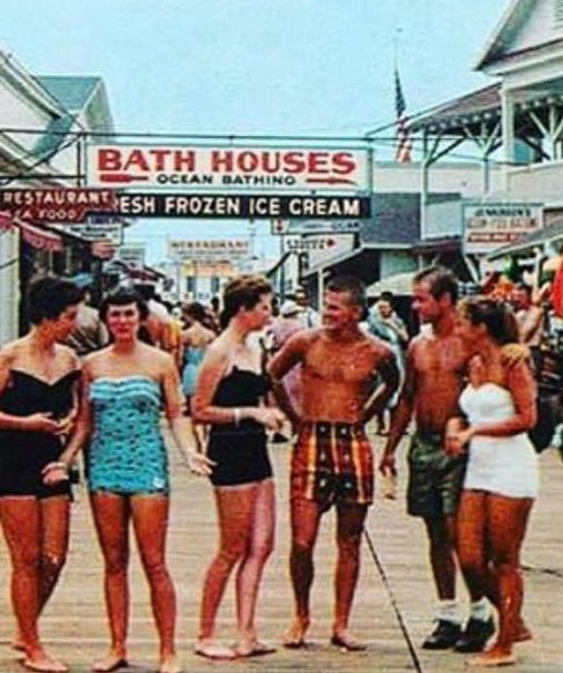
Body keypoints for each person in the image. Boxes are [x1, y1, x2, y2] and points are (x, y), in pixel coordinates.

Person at [59, 286, 212, 673]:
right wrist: (65, 459)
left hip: (146, 462)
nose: (122, 321)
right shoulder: (91, 364)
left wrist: (189, 451)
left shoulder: (160, 362)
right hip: (104, 465)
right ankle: (117, 646)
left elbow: (177, 414)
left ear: (141, 318)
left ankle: (167, 650)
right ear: (105, 320)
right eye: (115, 315)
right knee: (114, 561)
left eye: (129, 314)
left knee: (154, 561)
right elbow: (83, 421)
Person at [268, 275, 400, 651]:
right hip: (312, 438)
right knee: (302, 539)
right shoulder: (305, 342)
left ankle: (341, 622)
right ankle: (301, 615)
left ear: (356, 312)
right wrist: (294, 419)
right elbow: (273, 374)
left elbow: (392, 384)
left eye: (335, 308)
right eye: (325, 306)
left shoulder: (377, 350)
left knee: (350, 538)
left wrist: (367, 412)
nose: (327, 314)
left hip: (352, 440)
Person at [381, 267, 494, 653]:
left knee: (460, 531)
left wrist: (462, 426)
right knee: (434, 531)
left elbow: (484, 397)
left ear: (445, 301)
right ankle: (447, 612)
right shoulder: (417, 344)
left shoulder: (468, 344)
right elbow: (408, 397)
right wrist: (390, 448)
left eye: (422, 299)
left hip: (458, 448)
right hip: (424, 444)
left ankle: (480, 611)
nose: (415, 306)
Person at [0, 276, 83, 673]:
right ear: (48, 317)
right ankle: (32, 644)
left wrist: (67, 440)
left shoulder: (71, 360)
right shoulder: (10, 356)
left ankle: (27, 624)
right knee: (27, 557)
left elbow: (79, 412)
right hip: (13, 456)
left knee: (56, 556)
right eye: (70, 316)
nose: (75, 322)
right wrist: (27, 423)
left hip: (52, 459)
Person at [190, 276, 285, 660]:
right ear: (243, 309)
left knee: (262, 545)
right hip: (229, 451)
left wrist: (270, 414)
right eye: (264, 306)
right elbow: (199, 410)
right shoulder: (220, 352)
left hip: (255, 449)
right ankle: (205, 631)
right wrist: (250, 413)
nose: (269, 313)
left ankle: (247, 631)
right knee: (231, 547)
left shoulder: (253, 347)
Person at [446, 296, 538, 668]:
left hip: (512, 466)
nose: (457, 329)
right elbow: (460, 409)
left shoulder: (512, 362)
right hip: (479, 467)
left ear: (481, 328)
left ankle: (505, 643)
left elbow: (527, 418)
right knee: (468, 556)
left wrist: (476, 431)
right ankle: (513, 621)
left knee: (505, 558)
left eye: (462, 323)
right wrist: (456, 429)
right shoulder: (474, 363)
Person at [367, 292, 409, 436]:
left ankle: (393, 425)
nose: (382, 310)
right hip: (381, 353)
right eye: (380, 308)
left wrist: (392, 325)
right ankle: (381, 424)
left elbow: (405, 338)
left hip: (396, 353)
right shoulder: (374, 322)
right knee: (381, 387)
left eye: (385, 307)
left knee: (397, 388)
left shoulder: (397, 320)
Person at [178, 302, 215, 410]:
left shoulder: (185, 334)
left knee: (191, 405)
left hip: (191, 367)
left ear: (190, 315)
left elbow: (181, 356)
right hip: (205, 367)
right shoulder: (210, 334)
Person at [66, 286, 110, 356]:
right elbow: (104, 340)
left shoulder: (63, 315)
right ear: (86, 296)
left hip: (70, 357)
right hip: (94, 356)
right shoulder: (95, 314)